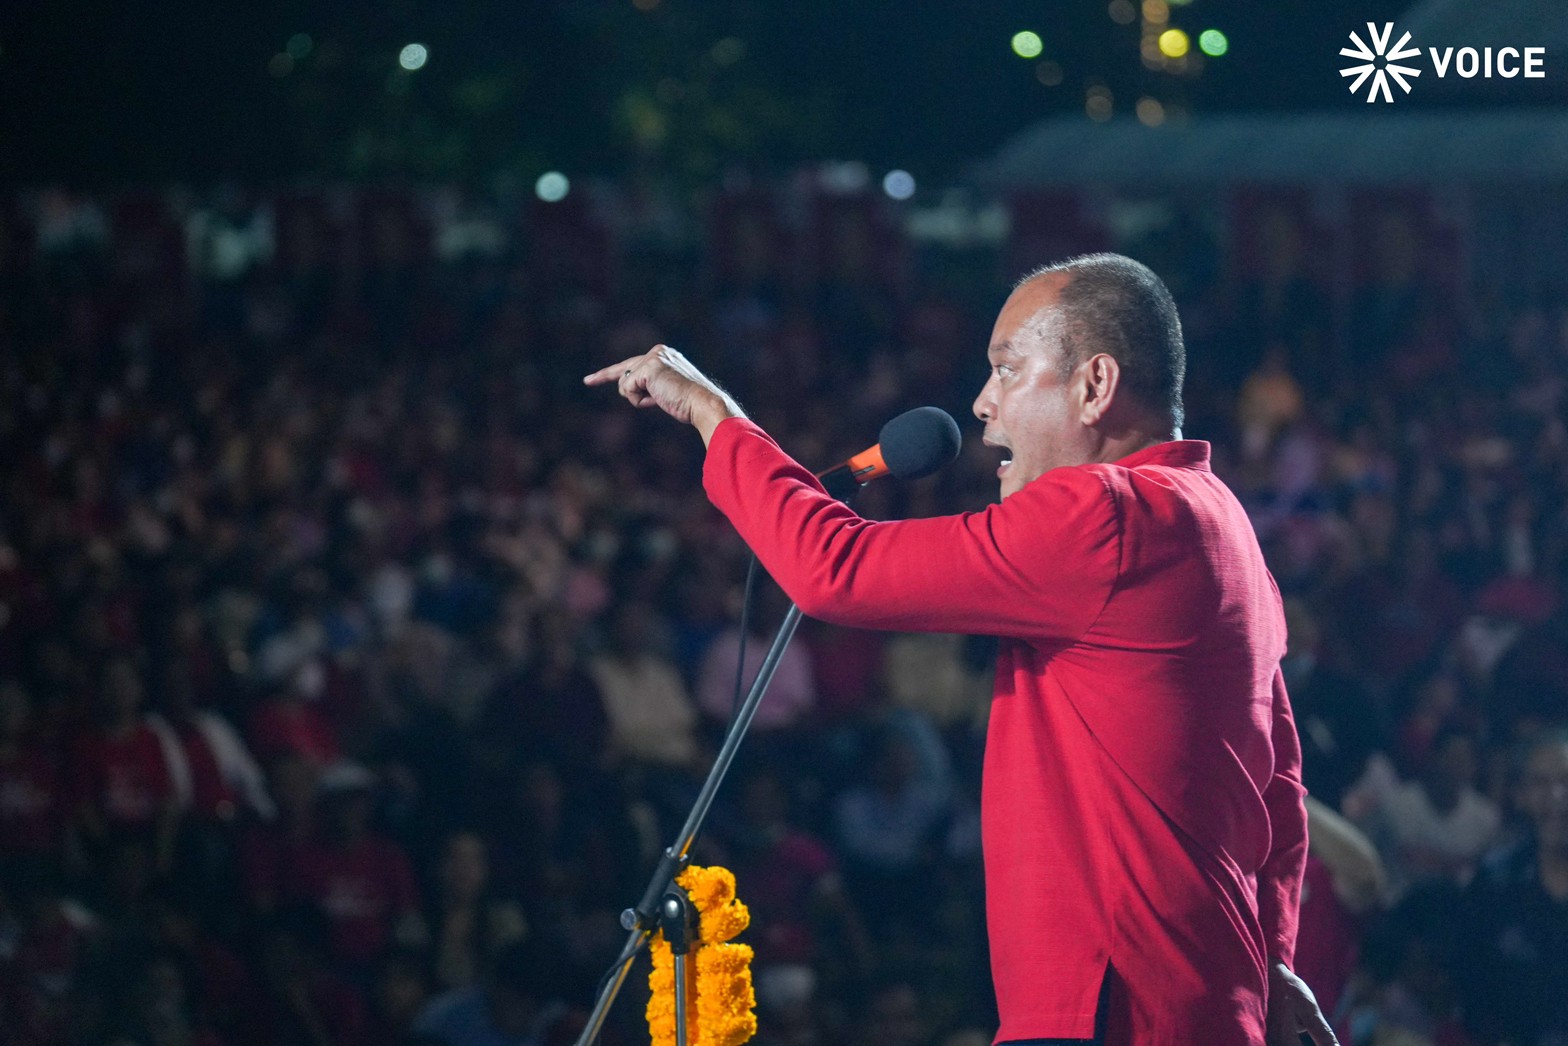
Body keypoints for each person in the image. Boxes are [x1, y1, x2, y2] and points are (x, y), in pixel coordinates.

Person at [584, 253, 1332, 1045]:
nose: (983, 405)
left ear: (1094, 385)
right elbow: (1278, 790)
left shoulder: (1106, 514)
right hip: (1211, 998)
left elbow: (833, 570)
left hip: (1114, 1002)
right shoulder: (1220, 521)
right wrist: (1272, 966)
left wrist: (713, 416)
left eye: (1007, 370)